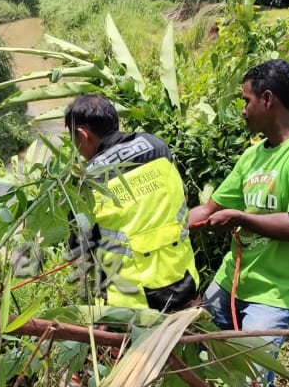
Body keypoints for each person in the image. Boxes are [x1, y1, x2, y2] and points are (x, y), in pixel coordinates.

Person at [187, 59, 289, 358]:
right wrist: (161, 227)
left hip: (276, 293)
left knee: (250, 380)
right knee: (197, 353)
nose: (243, 110)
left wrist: (241, 217)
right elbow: (208, 209)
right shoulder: (252, 156)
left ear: (267, 99)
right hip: (230, 281)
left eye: (246, 101)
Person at [65, 93, 200, 312]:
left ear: (82, 134)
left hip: (129, 308)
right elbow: (181, 198)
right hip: (185, 288)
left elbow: (80, 251)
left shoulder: (87, 181)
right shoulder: (157, 146)